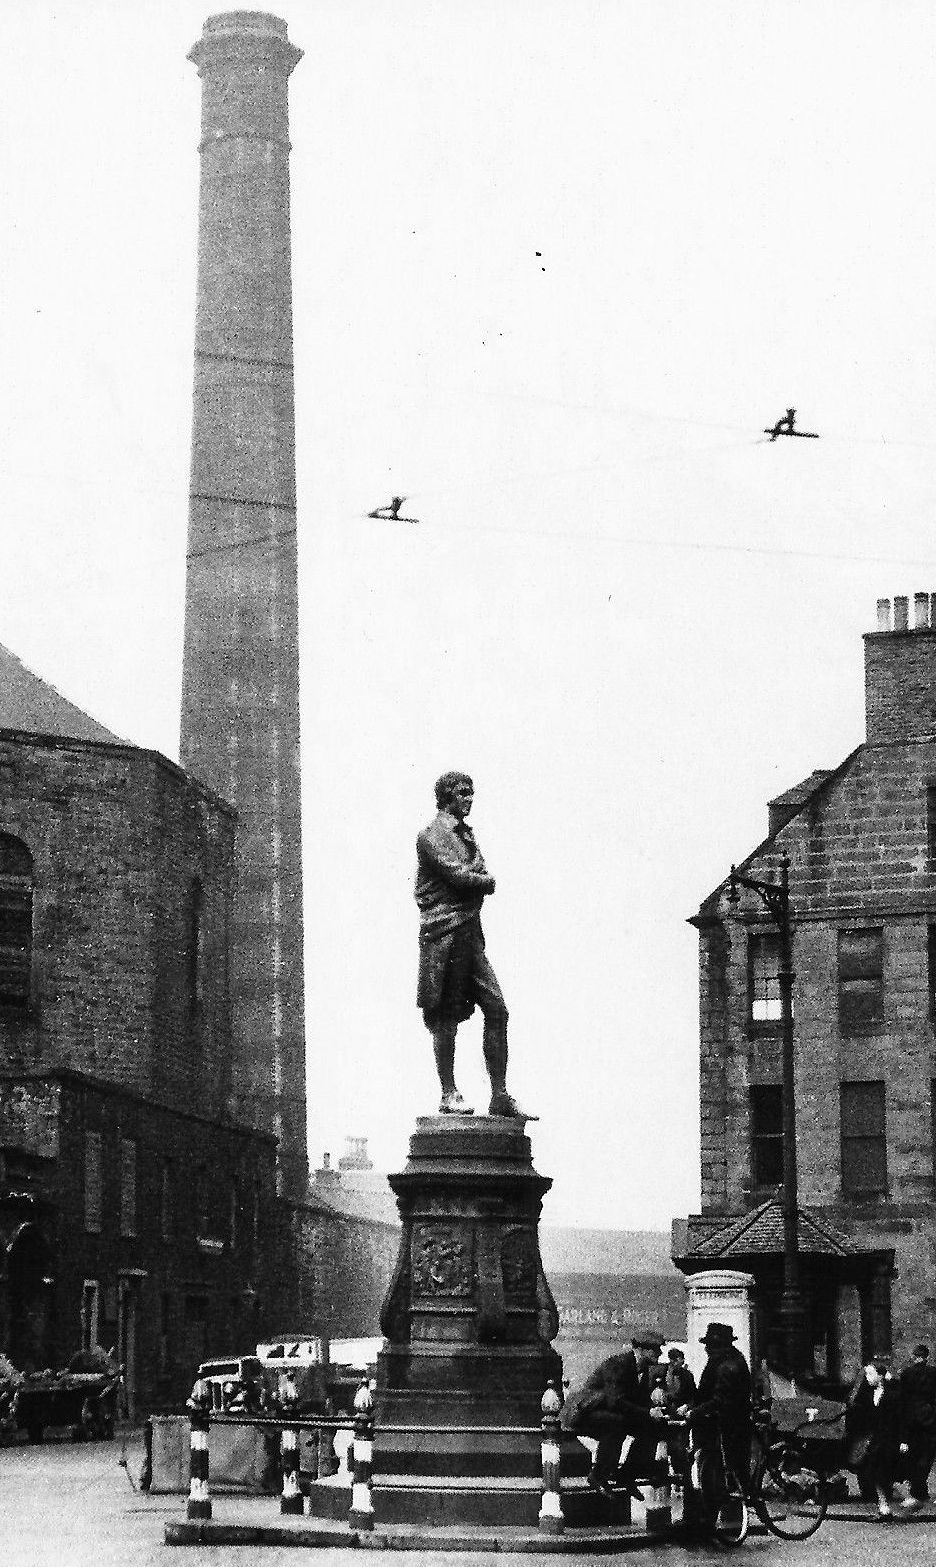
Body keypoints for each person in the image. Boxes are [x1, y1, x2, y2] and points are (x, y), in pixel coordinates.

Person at [415, 772, 526, 1117]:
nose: (469, 799)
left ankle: (500, 1095)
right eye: (463, 793)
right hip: (444, 933)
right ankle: (449, 1092)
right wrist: (483, 880)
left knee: (497, 1009)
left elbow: (473, 873)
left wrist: (477, 878)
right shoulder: (431, 835)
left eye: (471, 793)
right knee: (445, 1015)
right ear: (446, 796)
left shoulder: (467, 835)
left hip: (470, 933)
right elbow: (461, 876)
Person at [562, 1327, 667, 1494]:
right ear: (639, 1350)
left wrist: (655, 1413)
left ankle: (627, 1474)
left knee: (653, 1427)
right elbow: (615, 1401)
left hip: (610, 1411)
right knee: (617, 1423)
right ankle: (598, 1475)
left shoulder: (642, 1369)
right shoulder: (619, 1364)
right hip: (586, 1412)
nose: (659, 1353)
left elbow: (638, 1400)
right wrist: (647, 1413)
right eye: (654, 1349)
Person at [691, 1322, 752, 1519]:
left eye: (710, 1345)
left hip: (726, 1427)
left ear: (719, 1346)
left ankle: (717, 1517)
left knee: (721, 1470)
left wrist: (694, 1412)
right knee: (728, 1469)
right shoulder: (726, 1360)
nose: (707, 1349)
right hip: (726, 1424)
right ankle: (728, 1517)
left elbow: (719, 1400)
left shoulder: (727, 1366)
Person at [846, 1358, 906, 1519]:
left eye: (871, 1374)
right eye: (866, 1374)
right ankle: (883, 1504)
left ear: (880, 1375)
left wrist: (903, 1440)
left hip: (890, 1439)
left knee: (888, 1471)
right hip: (875, 1439)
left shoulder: (893, 1395)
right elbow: (856, 1408)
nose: (867, 1377)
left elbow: (901, 1418)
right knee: (873, 1470)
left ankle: (892, 1500)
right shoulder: (867, 1394)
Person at [898, 1344, 936, 1511]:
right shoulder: (934, 1373)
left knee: (913, 1455)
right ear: (926, 1357)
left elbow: (903, 1397)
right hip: (929, 1417)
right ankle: (921, 1491)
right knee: (927, 1455)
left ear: (915, 1356)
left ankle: (917, 1491)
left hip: (911, 1417)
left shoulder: (906, 1373)